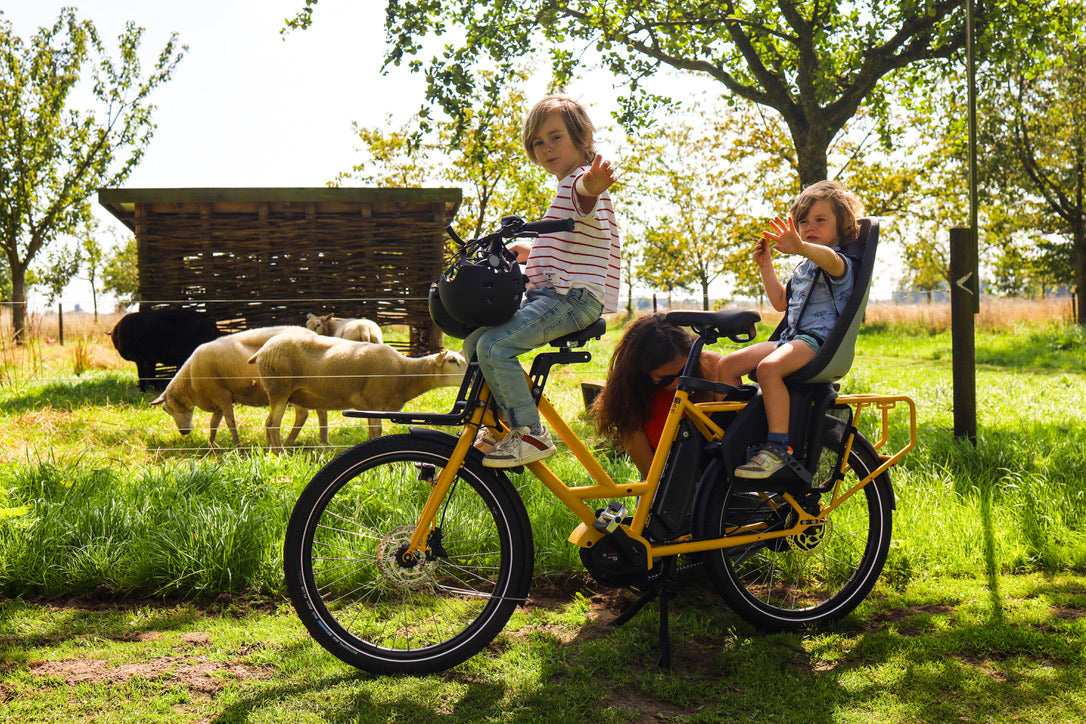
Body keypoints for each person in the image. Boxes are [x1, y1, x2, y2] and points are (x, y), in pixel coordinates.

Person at [463, 95, 621, 468]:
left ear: (582, 139)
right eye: (538, 142)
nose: (546, 148)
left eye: (556, 137)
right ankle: (499, 423)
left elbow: (585, 197)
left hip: (572, 299)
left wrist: (594, 184)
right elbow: (571, 243)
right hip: (554, 294)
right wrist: (530, 253)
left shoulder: (579, 183)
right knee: (473, 343)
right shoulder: (564, 188)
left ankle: (531, 432)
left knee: (494, 348)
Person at [723, 180, 864, 479]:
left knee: (768, 369)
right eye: (803, 221)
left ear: (842, 227)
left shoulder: (841, 262)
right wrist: (766, 266)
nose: (810, 225)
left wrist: (801, 246)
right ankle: (739, 434)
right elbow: (779, 303)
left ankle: (777, 449)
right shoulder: (803, 268)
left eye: (820, 220)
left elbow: (830, 260)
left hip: (818, 342)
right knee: (727, 365)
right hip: (792, 339)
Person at [591, 314, 730, 480]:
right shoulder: (628, 400)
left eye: (685, 371)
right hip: (669, 484)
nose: (679, 382)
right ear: (641, 371)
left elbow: (736, 433)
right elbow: (651, 474)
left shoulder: (713, 366)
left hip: (721, 478)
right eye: (666, 379)